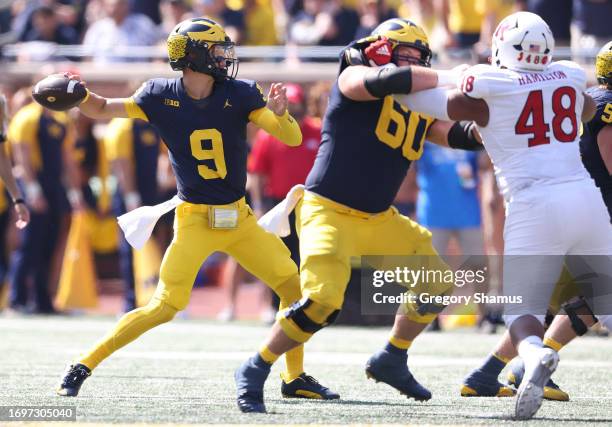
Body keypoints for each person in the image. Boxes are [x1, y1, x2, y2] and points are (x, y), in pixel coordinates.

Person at [53, 17, 337, 402]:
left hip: (239, 218)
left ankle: (294, 376)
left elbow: (291, 135)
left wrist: (281, 113)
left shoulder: (239, 93)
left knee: (294, 288)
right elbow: (103, 109)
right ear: (195, 57)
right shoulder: (158, 95)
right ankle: (83, 364)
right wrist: (80, 94)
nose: (225, 59)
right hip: (194, 219)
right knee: (164, 306)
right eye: (217, 51)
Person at [234, 18, 483, 413]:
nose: (413, 62)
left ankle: (393, 357)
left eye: (419, 57)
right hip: (328, 210)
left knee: (437, 284)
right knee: (322, 301)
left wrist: (499, 124)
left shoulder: (418, 102)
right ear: (381, 50)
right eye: (406, 55)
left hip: (379, 218)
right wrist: (451, 75)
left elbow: (455, 134)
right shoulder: (354, 78)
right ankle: (255, 366)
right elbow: (379, 82)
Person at [397, 11, 612, 420]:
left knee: (521, 310)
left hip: (533, 204)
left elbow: (432, 102)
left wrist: (390, 86)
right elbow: (584, 111)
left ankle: (533, 359)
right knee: (607, 298)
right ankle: (517, 364)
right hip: (585, 198)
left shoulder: (491, 84)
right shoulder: (567, 74)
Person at [7, 94, 83, 314]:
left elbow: (67, 158)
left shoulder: (61, 121)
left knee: (50, 244)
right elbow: (22, 155)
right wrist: (32, 190)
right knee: (29, 244)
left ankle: (42, 300)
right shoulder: (27, 117)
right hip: (34, 184)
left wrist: (74, 192)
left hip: (54, 187)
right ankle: (17, 299)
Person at [104, 117, 162, 312]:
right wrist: (131, 196)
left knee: (154, 243)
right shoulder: (122, 126)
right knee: (129, 246)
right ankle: (130, 300)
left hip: (151, 193)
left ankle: (154, 295)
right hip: (131, 196)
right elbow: (121, 164)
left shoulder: (152, 124)